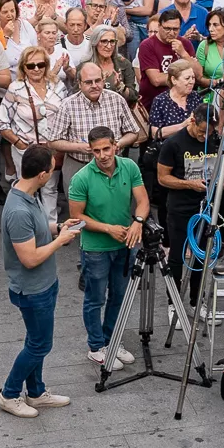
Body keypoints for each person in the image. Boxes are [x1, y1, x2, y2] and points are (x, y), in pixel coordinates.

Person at [0, 146, 81, 418]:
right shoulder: (19, 210)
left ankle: (35, 393)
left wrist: (59, 228)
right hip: (32, 289)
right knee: (40, 345)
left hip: (45, 283)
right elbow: (30, 259)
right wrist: (60, 242)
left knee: (36, 340)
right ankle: (9, 394)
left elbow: (39, 233)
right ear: (43, 175)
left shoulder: (28, 194)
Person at [68, 127, 145, 363]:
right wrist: (108, 228)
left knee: (119, 295)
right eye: (96, 151)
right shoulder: (81, 178)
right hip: (95, 249)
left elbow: (142, 200)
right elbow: (76, 220)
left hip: (124, 245)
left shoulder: (129, 167)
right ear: (91, 151)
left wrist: (138, 222)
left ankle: (112, 340)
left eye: (106, 149)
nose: (102, 155)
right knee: (95, 298)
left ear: (115, 146)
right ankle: (96, 346)